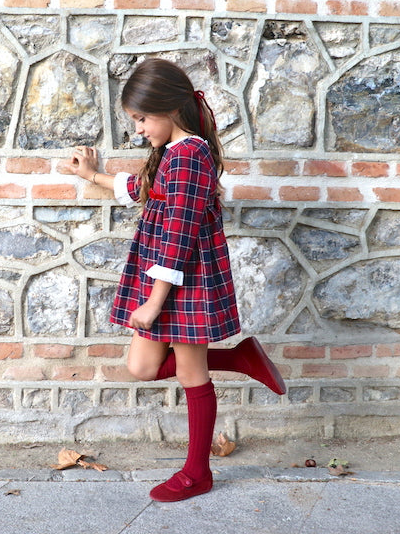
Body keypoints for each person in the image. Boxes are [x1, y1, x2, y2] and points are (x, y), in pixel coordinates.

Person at [69, 58, 286, 503]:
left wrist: (153, 301)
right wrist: (92, 174)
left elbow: (181, 234)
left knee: (190, 374)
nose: (139, 129)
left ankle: (196, 473)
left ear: (169, 109)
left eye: (142, 119)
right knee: (142, 367)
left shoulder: (190, 157)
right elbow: (142, 189)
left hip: (184, 281)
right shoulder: (176, 154)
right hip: (172, 277)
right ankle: (242, 360)